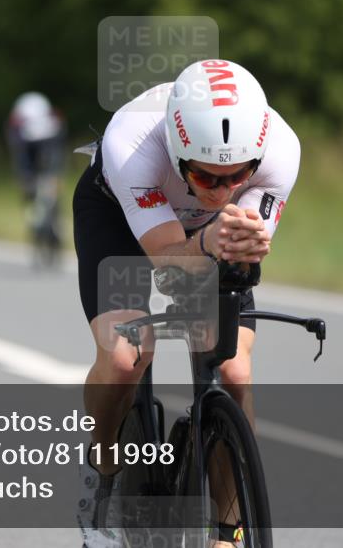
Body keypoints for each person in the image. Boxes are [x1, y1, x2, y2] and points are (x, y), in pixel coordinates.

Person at [73, 59, 301, 547]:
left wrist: (241, 244)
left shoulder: (281, 149)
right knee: (124, 353)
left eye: (238, 176)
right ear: (179, 156)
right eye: (206, 177)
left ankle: (225, 530)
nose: (224, 191)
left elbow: (237, 253)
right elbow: (169, 264)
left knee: (234, 371)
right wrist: (209, 239)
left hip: (204, 237)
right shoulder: (132, 143)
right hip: (119, 217)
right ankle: (105, 468)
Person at [5, 92, 66, 264]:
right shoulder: (17, 129)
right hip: (30, 163)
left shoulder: (54, 125)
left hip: (49, 160)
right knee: (29, 195)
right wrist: (25, 180)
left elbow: (57, 156)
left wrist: (55, 178)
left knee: (52, 192)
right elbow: (21, 158)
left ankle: (58, 229)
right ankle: (34, 224)